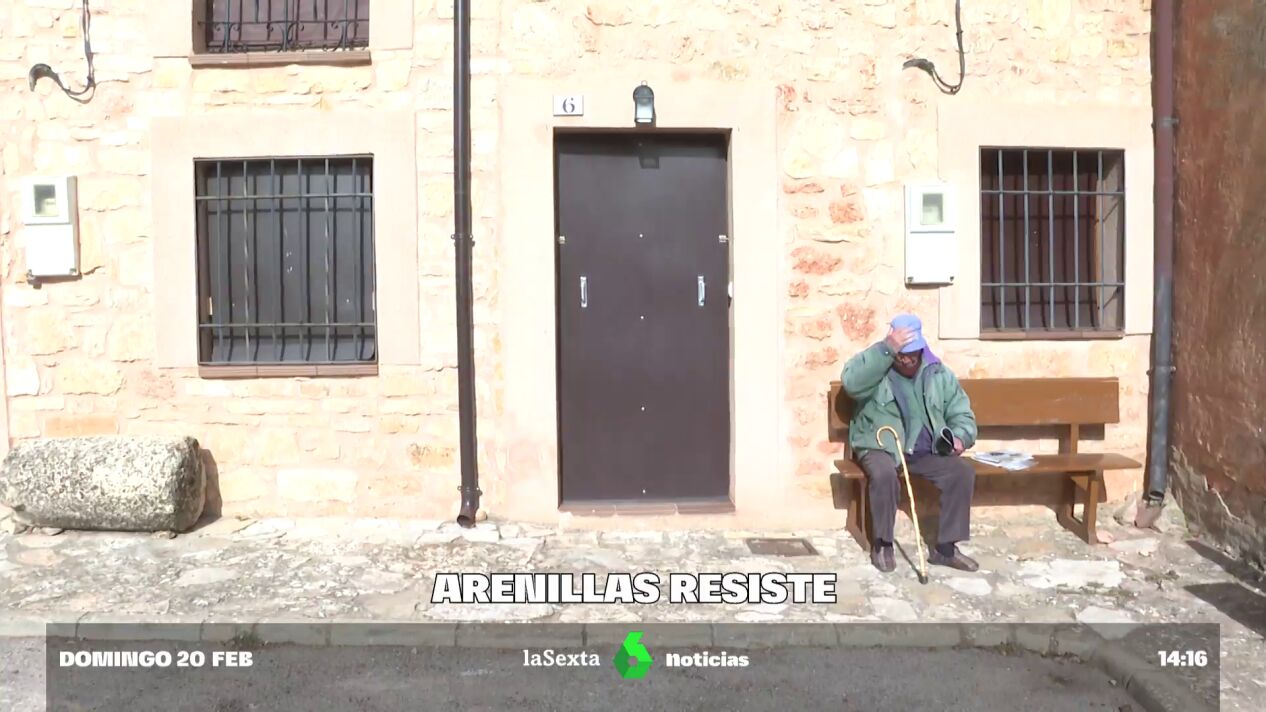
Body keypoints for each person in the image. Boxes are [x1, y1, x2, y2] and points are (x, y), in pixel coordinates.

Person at [841, 313, 980, 573]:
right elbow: (852, 384)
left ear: (921, 349)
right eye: (901, 354)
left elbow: (961, 412)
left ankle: (945, 548)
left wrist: (960, 436)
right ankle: (883, 543)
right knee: (883, 475)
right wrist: (886, 350)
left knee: (961, 472)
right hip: (881, 444)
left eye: (911, 354)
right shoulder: (876, 362)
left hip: (924, 449)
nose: (905, 359)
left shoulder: (938, 373)